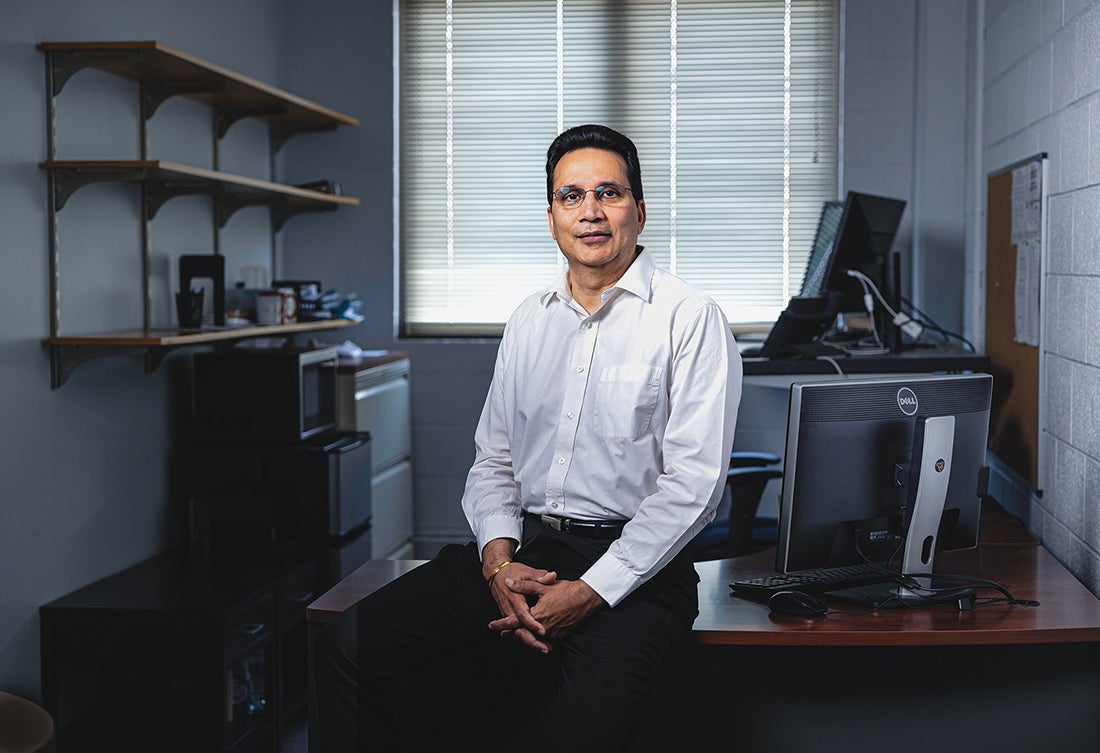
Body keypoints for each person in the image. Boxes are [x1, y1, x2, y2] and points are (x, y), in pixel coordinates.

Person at [313, 123, 742, 752]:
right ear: (551, 216)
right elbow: (494, 461)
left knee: (572, 735)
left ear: (640, 211)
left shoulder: (690, 317)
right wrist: (497, 562)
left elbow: (694, 487)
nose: (590, 212)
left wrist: (591, 591)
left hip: (635, 569)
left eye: (609, 193)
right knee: (344, 648)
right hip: (524, 553)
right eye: (571, 197)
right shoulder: (528, 320)